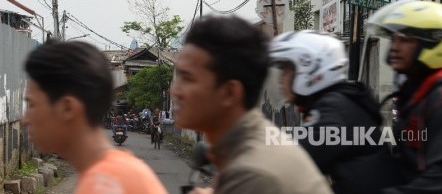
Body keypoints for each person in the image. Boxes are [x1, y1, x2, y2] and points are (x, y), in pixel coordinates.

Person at [170, 15, 331, 194]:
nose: (175, 91)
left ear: (230, 92)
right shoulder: (249, 146)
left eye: (188, 78)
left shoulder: (252, 174)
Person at [22, 40, 167, 194]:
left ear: (67, 108)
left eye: (32, 105)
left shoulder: (104, 185)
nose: (25, 119)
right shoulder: (115, 174)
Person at [269, 30, 401, 194]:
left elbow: (292, 161)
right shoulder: (341, 100)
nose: (281, 81)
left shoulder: (334, 109)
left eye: (286, 71)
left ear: (309, 69)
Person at [366, 0, 442, 193]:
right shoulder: (419, 91)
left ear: (434, 42)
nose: (394, 47)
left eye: (406, 39)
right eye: (393, 39)